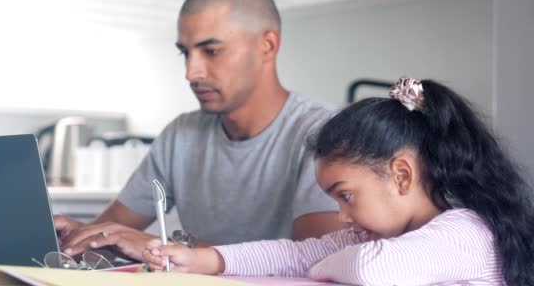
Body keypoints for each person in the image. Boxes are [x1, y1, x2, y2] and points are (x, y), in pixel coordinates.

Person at [54, 0, 342, 261]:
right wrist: (78, 238)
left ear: (267, 46)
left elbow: (315, 260)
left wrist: (159, 246)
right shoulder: (181, 134)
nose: (192, 73)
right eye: (185, 53)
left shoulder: (324, 133)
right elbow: (114, 229)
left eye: (211, 51)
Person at [143, 78, 534, 285]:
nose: (343, 215)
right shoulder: (379, 237)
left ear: (401, 175)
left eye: (346, 196)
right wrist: (203, 260)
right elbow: (292, 255)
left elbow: (370, 270)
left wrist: (317, 265)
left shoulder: (464, 231)